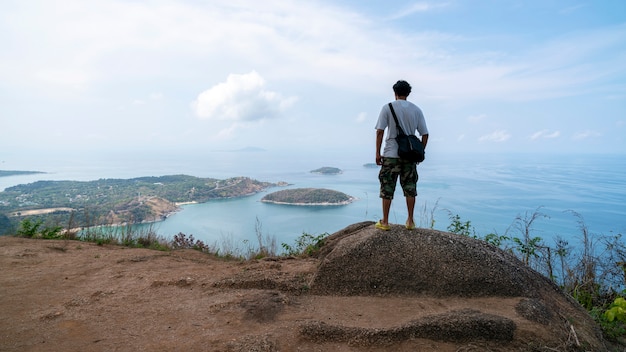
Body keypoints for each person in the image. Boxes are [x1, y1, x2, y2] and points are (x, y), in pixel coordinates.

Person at [374, 80, 429, 230]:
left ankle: (385, 222)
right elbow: (425, 134)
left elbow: (380, 131)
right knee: (410, 188)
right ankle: (410, 221)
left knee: (387, 187)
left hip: (391, 154)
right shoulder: (416, 110)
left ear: (395, 92)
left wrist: (377, 153)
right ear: (408, 93)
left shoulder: (387, 108)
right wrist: (419, 152)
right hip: (409, 156)